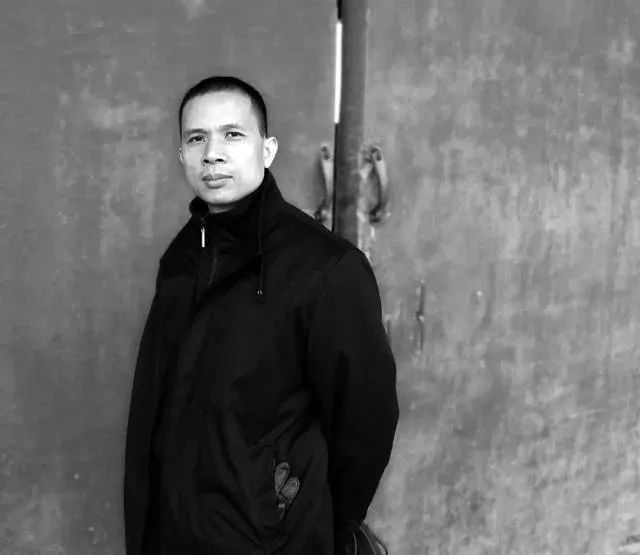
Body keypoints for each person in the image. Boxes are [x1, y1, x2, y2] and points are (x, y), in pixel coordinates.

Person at [124, 75, 399, 555]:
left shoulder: (326, 268)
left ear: (267, 150)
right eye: (197, 139)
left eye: (232, 134)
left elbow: (366, 421)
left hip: (272, 541)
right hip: (175, 534)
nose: (213, 154)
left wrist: (301, 517)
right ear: (182, 155)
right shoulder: (181, 260)